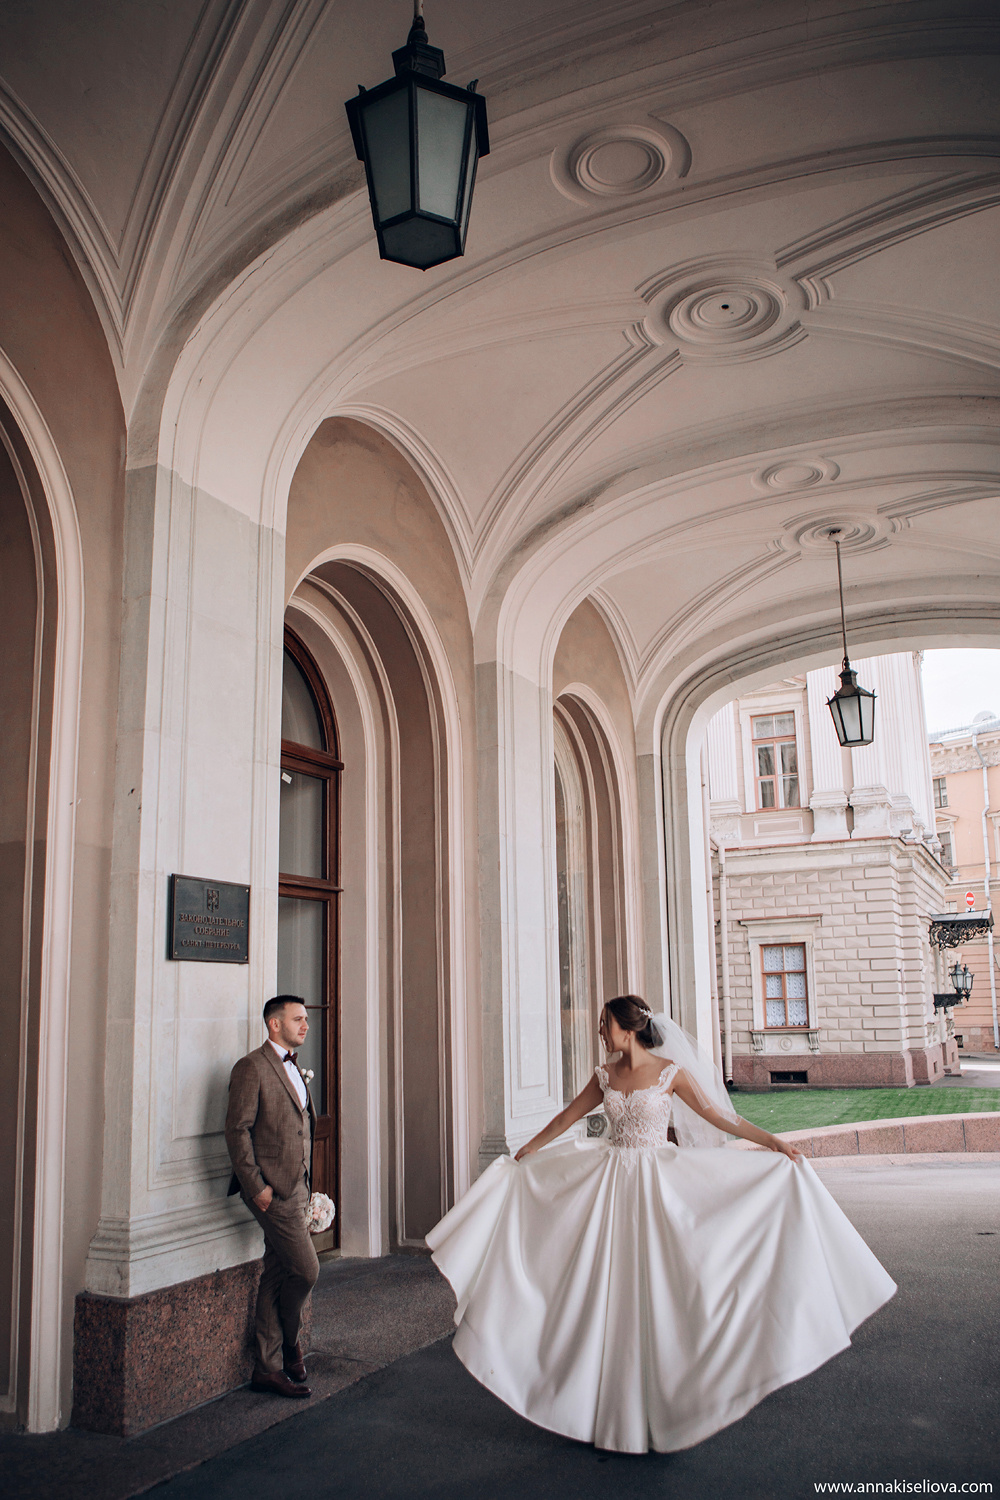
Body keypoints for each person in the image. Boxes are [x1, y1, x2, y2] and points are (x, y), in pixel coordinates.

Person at [427, 994, 897, 1455]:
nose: (599, 1031)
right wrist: (530, 1148)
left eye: (605, 1023)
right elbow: (568, 1116)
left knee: (664, 1285)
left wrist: (772, 1142)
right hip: (611, 1185)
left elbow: (720, 1116)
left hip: (656, 1184)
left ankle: (676, 1396)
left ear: (628, 1027)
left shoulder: (671, 1072)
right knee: (605, 1288)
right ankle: (599, 1406)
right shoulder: (605, 1075)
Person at [225, 994, 319, 1399]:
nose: (305, 1025)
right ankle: (291, 1342)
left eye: (306, 1019)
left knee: (277, 1272)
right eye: (297, 1019)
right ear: (274, 1024)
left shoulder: (294, 1066)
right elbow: (237, 1130)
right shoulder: (251, 1067)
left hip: (298, 1187)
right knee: (307, 1271)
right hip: (271, 1192)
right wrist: (256, 1187)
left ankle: (267, 1368)